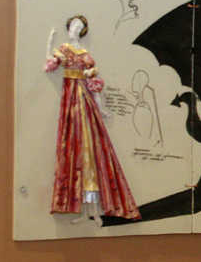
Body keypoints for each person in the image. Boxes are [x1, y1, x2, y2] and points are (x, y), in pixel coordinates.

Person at [45, 15, 141, 224]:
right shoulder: (65, 50)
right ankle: (84, 210)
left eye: (79, 26)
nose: (75, 28)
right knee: (77, 155)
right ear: (68, 27)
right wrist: (49, 42)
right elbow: (50, 63)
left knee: (90, 157)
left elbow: (94, 87)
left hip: (86, 108)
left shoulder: (85, 55)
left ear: (83, 30)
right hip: (71, 107)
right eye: (73, 25)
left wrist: (101, 109)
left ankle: (94, 210)